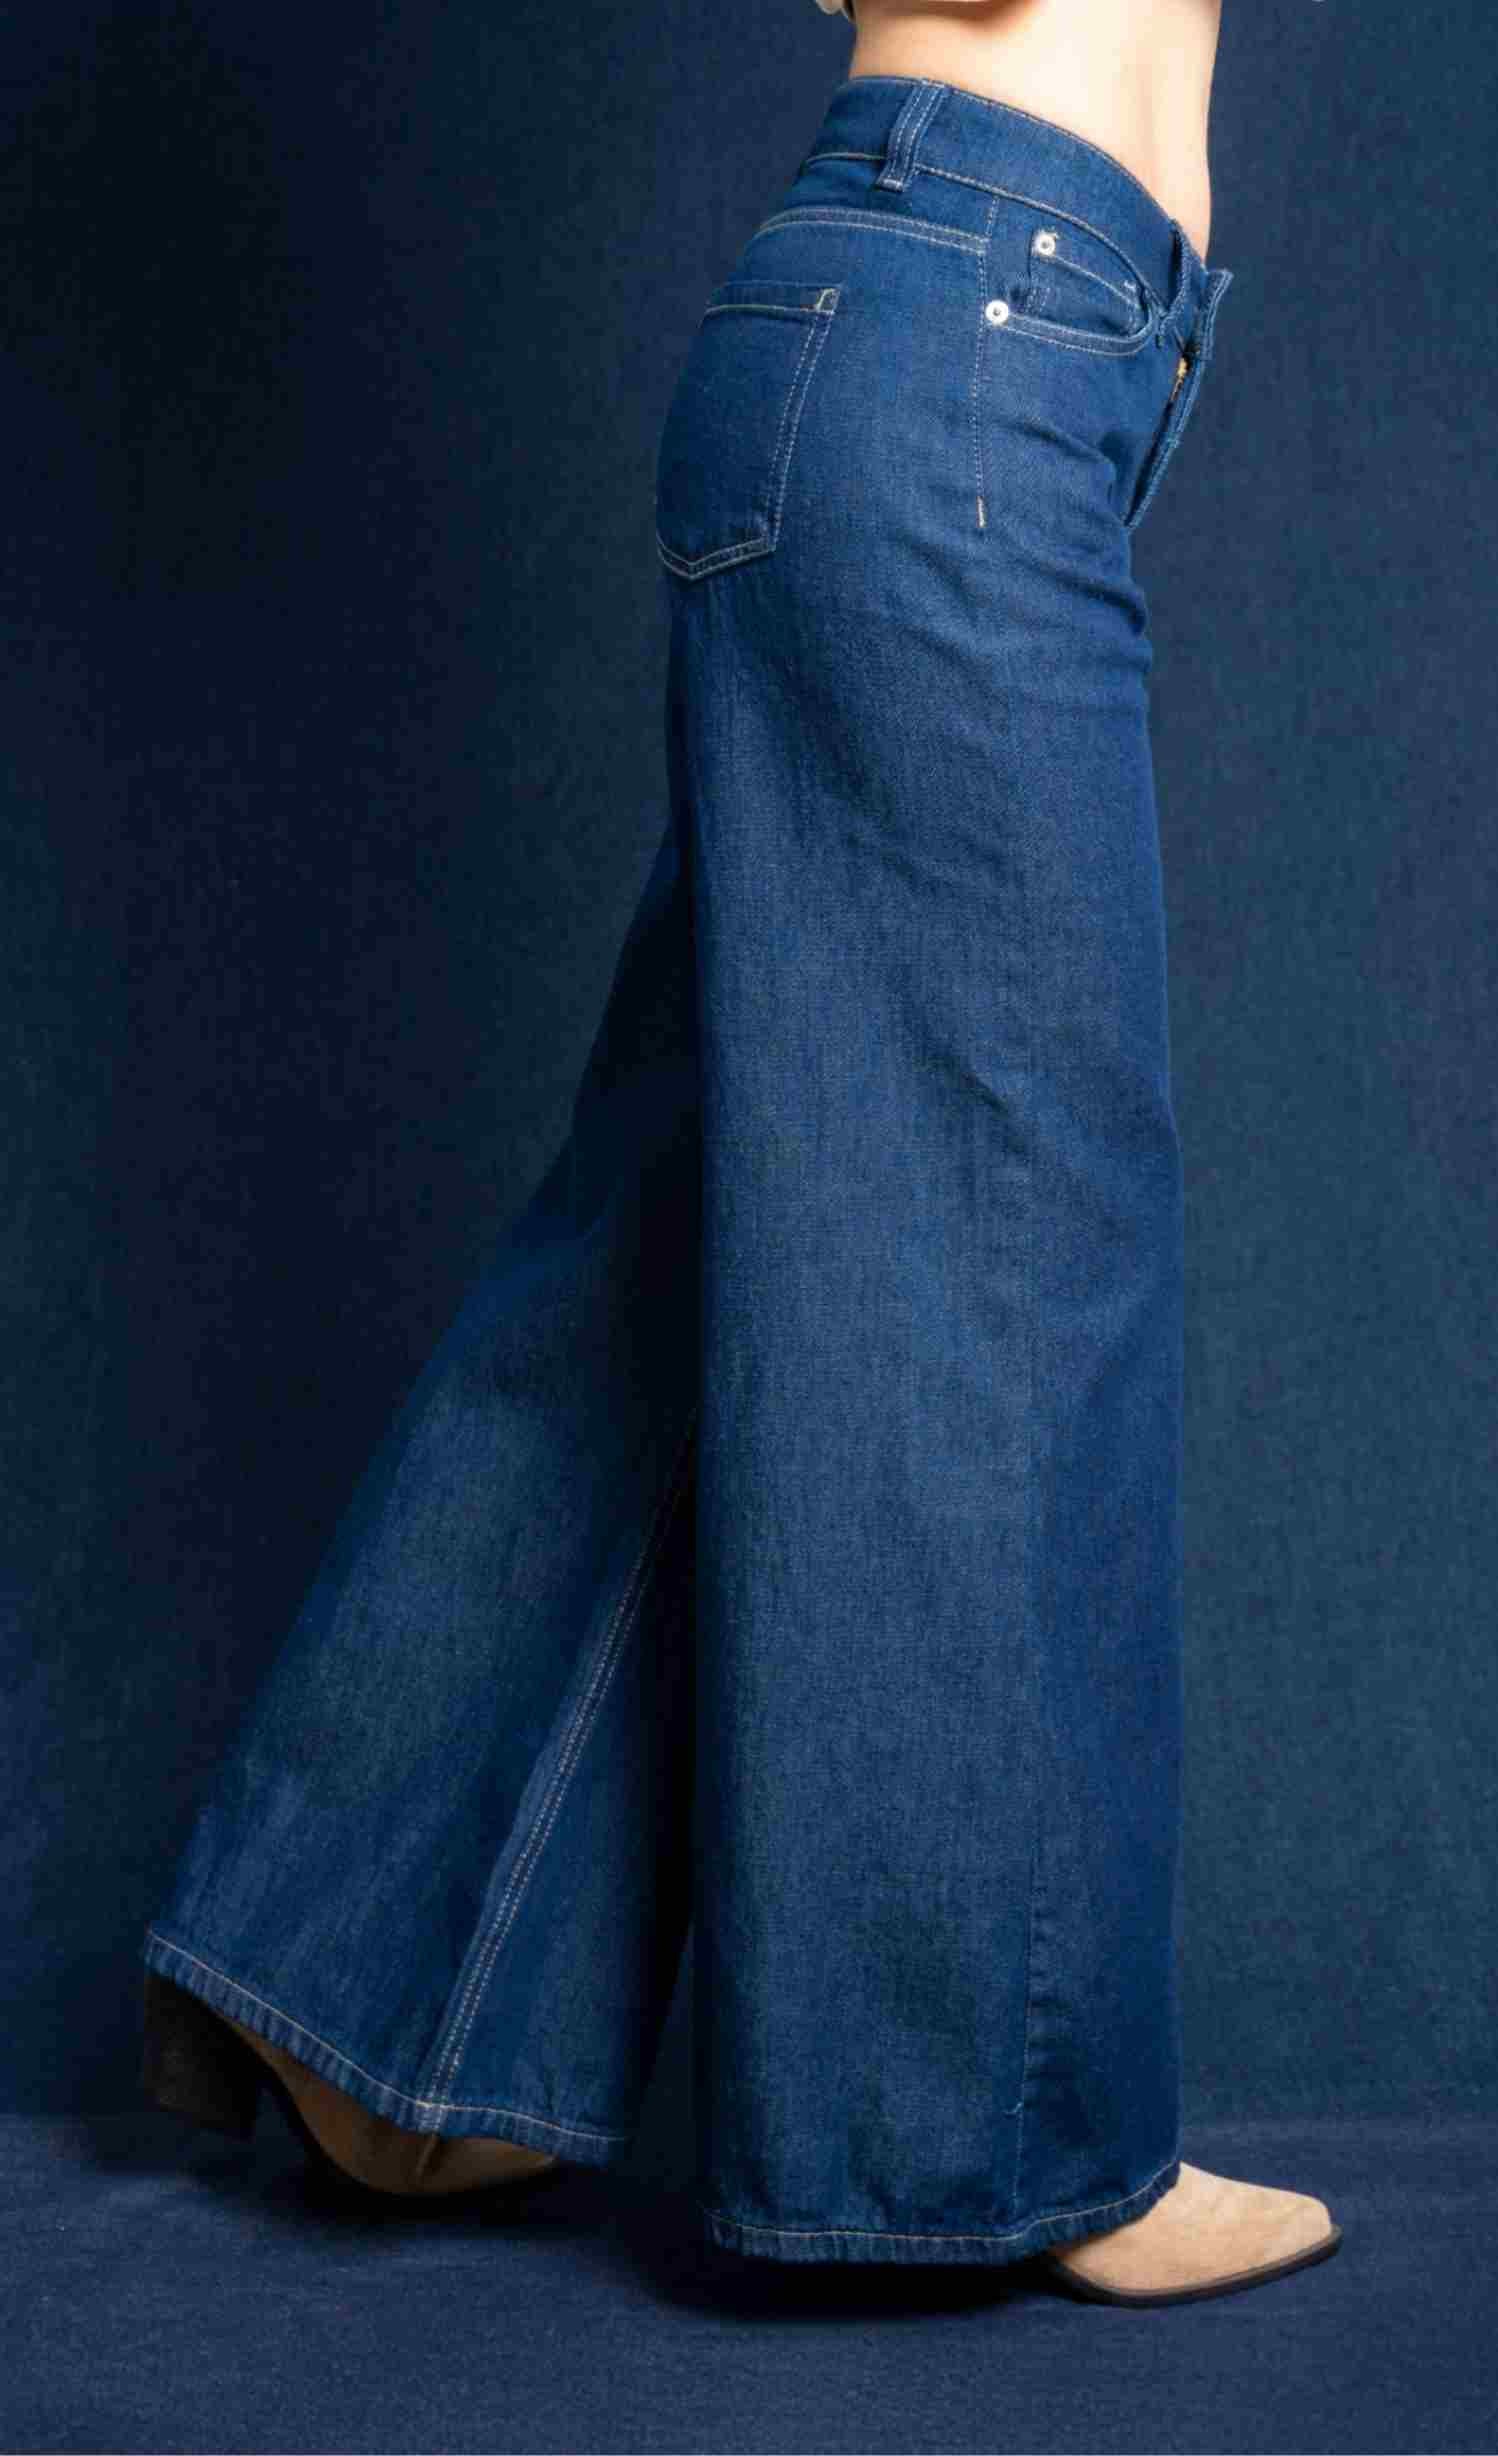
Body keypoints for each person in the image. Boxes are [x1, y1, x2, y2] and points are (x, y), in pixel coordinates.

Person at [140, 0, 1343, 2311]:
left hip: (977, 336)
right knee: (1013, 1227)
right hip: (967, 333)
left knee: (711, 1199)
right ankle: (991, 2139)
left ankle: (381, 1985)